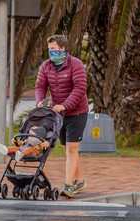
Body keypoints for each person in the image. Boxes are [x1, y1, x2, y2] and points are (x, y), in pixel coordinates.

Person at [35, 34, 88, 198]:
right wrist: (41, 101)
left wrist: (65, 105)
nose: (51, 52)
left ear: (63, 48)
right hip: (58, 114)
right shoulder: (46, 66)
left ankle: (69, 185)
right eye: (49, 49)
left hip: (77, 113)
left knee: (72, 148)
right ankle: (80, 181)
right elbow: (40, 86)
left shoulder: (75, 64)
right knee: (68, 149)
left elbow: (80, 89)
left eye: (54, 49)